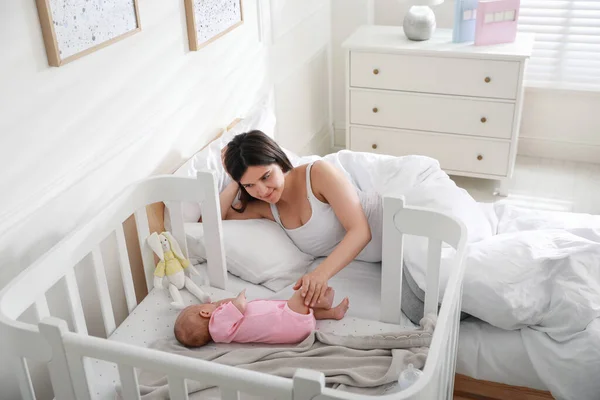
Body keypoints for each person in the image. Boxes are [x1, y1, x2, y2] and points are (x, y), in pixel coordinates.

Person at [217, 130, 383, 309]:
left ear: (279, 162)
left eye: (266, 176)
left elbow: (360, 231)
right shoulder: (265, 207)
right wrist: (236, 180)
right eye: (250, 185)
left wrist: (320, 275)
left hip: (394, 228)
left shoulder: (318, 173)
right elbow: (210, 220)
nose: (263, 191)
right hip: (387, 257)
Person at [174, 288, 349, 347]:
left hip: (291, 327)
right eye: (200, 306)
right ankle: (323, 302)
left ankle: (332, 314)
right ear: (205, 313)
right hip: (285, 321)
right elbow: (240, 305)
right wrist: (238, 296)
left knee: (301, 310)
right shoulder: (217, 322)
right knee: (302, 295)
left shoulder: (221, 334)